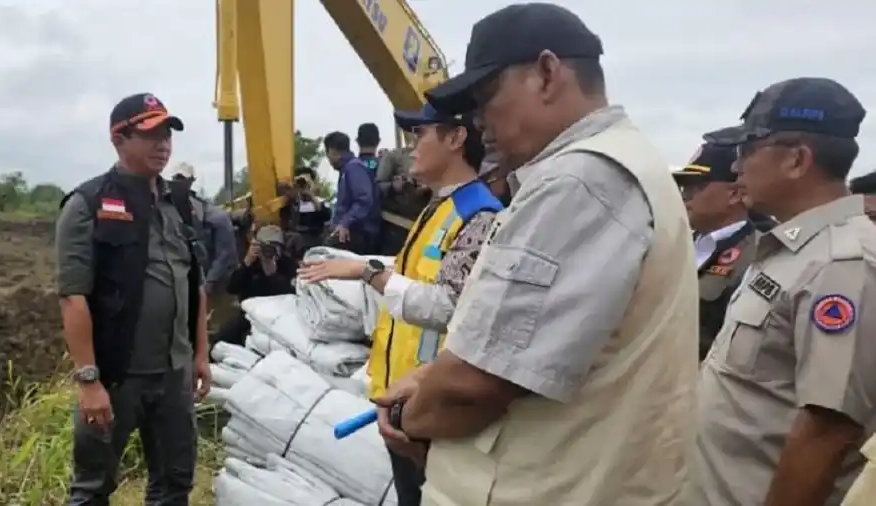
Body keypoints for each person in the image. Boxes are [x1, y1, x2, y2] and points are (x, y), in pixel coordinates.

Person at [372, 4, 699, 505]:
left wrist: (406, 420)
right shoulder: (627, 163)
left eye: (486, 98)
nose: (480, 123)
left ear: (547, 73)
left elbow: (476, 383)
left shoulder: (578, 181)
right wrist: (431, 379)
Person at [298, 103, 503, 506]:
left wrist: (366, 272)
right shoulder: (439, 207)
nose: (410, 148)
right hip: (407, 401)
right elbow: (419, 279)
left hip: (437, 406)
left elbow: (447, 305)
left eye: (420, 135)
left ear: (456, 138)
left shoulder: (478, 215)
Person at [692, 77, 876, 506]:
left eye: (747, 150)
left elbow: (826, 431)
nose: (736, 167)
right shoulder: (793, 248)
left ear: (797, 159)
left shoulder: (842, 264)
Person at [55, 92, 211, 505]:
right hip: (116, 377)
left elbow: (193, 282)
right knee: (92, 489)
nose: (163, 145)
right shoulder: (88, 204)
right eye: (150, 135)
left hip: (174, 375)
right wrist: (89, 381)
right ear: (118, 140)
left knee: (174, 484)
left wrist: (199, 353)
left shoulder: (181, 204)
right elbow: (73, 297)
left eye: (167, 135)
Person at [672, 143, 758, 360]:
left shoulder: (758, 255)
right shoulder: (678, 242)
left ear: (734, 194)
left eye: (697, 187)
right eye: (683, 188)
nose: (685, 197)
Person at [214, 225, 296, 347]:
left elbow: (291, 295)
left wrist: (272, 275)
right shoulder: (252, 264)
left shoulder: (288, 264)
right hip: (249, 317)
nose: (268, 250)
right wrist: (246, 263)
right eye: (264, 246)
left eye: (274, 246)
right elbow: (231, 288)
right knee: (221, 340)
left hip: (277, 317)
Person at [170, 162, 238, 295]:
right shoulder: (171, 212)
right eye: (176, 179)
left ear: (192, 181)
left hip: (220, 282)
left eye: (183, 178)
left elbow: (225, 255)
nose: (179, 183)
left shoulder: (218, 218)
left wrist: (207, 284)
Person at [324, 131, 381, 254]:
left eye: (328, 155)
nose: (329, 160)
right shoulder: (347, 169)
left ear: (333, 152)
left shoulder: (353, 168)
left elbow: (364, 200)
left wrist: (345, 223)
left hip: (357, 233)